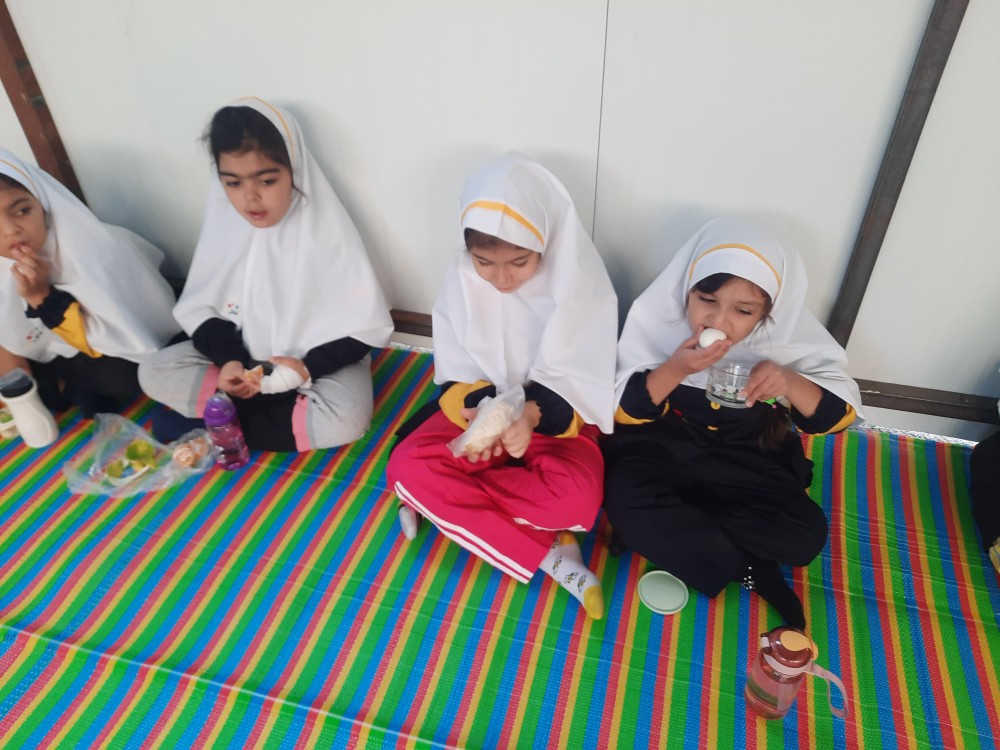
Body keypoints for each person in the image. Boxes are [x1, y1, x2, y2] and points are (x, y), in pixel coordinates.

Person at [387, 153, 618, 619]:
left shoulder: (580, 287)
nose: (502, 278)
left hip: (555, 428)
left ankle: (446, 505)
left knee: (577, 498)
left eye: (519, 261)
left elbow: (585, 385)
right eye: (484, 262)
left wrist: (529, 416)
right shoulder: (461, 280)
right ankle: (552, 556)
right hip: (479, 425)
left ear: (546, 244)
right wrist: (480, 412)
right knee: (405, 467)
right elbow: (453, 375)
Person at [603, 217, 863, 629]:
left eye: (743, 310)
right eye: (706, 299)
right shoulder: (658, 325)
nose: (719, 321)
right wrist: (675, 368)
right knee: (623, 496)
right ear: (686, 290)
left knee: (805, 536)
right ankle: (752, 571)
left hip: (745, 456)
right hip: (663, 449)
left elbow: (837, 419)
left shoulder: (784, 339)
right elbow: (622, 411)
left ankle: (677, 528)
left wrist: (789, 381)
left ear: (768, 312)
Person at [139, 97, 393, 452]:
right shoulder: (226, 228)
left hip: (314, 368)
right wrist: (229, 362)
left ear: (295, 171)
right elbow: (204, 310)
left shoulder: (327, 235)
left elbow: (362, 332)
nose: (250, 198)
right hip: (243, 360)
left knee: (346, 418)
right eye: (233, 183)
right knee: (152, 370)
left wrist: (304, 369)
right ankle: (261, 417)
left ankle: (214, 425)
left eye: (267, 180)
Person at [0, 149, 179, 417]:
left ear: (43, 203)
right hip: (58, 349)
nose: (11, 230)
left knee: (122, 374)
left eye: (22, 211)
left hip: (104, 346)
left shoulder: (92, 249)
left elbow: (110, 338)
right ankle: (67, 389)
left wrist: (39, 296)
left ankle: (72, 388)